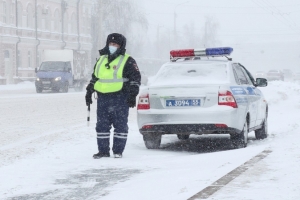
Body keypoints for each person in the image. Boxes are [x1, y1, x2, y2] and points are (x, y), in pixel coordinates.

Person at [85, 33, 141, 159]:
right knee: (102, 126)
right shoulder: (101, 59)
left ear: (121, 46)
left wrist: (132, 95)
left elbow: (135, 79)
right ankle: (103, 151)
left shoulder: (128, 60)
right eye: (110, 43)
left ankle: (118, 151)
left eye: (115, 44)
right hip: (103, 98)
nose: (112, 46)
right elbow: (95, 77)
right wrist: (89, 91)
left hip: (120, 97)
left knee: (120, 125)